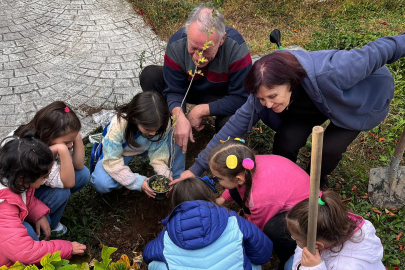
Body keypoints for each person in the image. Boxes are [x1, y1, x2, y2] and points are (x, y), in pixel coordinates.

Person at [176, 33, 405, 186]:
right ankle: (282, 179)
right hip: (313, 101)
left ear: (290, 81)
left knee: (328, 149)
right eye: (261, 99)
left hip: (359, 99)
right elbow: (234, 126)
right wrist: (196, 169)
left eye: (272, 97)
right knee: (286, 139)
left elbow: (383, 48)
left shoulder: (336, 70)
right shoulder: (264, 91)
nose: (266, 104)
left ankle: (315, 182)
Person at [139, 4, 251, 156]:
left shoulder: (236, 48)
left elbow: (242, 97)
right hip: (190, 88)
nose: (198, 58)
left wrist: (201, 110)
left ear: (222, 39)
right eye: (193, 48)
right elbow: (174, 89)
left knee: (231, 122)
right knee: (150, 76)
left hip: (223, 94)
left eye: (206, 50)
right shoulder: (176, 44)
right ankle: (164, 130)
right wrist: (178, 116)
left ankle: (223, 154)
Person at [209, 140, 310, 268]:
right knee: (234, 190)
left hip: (307, 211)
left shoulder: (258, 199)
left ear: (239, 179)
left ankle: (289, 257)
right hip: (291, 191)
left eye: (219, 178)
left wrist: (245, 225)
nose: (217, 181)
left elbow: (258, 227)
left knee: (273, 229)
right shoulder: (248, 164)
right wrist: (223, 198)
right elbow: (236, 185)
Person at [143, 177, 273, 270]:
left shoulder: (168, 234)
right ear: (208, 196)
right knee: (252, 260)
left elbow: (148, 255)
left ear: (176, 203)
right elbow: (263, 252)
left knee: (154, 265)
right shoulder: (231, 219)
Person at [0, 133, 86, 267]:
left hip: (10, 242)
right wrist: (67, 248)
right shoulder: (3, 208)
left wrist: (39, 214)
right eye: (44, 176)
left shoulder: (13, 177)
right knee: (28, 232)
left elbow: (25, 198)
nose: (46, 179)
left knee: (37, 225)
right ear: (22, 179)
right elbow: (26, 252)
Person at [13, 101, 90, 236]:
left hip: (30, 191)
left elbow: (78, 166)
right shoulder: (31, 154)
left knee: (82, 174)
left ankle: (46, 217)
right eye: (67, 142)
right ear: (49, 135)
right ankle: (46, 227)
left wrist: (76, 137)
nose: (71, 145)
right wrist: (61, 150)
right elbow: (69, 182)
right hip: (19, 199)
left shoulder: (45, 139)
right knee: (61, 193)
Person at [90, 91, 184, 196]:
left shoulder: (162, 122)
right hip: (121, 152)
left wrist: (165, 174)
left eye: (156, 130)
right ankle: (122, 181)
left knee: (177, 134)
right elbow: (112, 161)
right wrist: (136, 182)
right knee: (101, 182)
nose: (153, 133)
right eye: (148, 129)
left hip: (145, 148)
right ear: (134, 119)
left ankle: (176, 181)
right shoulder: (119, 125)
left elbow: (158, 155)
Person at [285, 190, 385, 270]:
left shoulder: (346, 267)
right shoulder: (339, 223)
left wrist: (312, 268)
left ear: (317, 245)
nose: (292, 237)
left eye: (297, 239)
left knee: (289, 265)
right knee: (291, 262)